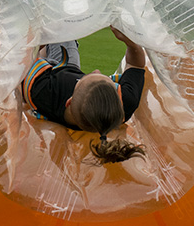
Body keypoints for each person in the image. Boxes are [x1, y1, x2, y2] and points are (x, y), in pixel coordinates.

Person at [21, 27, 146, 164]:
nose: (96, 70)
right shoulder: (123, 104)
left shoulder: (42, 91)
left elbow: (23, 61)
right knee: (60, 33)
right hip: (59, 73)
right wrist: (132, 43)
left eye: (88, 76)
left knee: (53, 32)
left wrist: (40, 36)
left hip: (55, 70)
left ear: (69, 101)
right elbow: (136, 65)